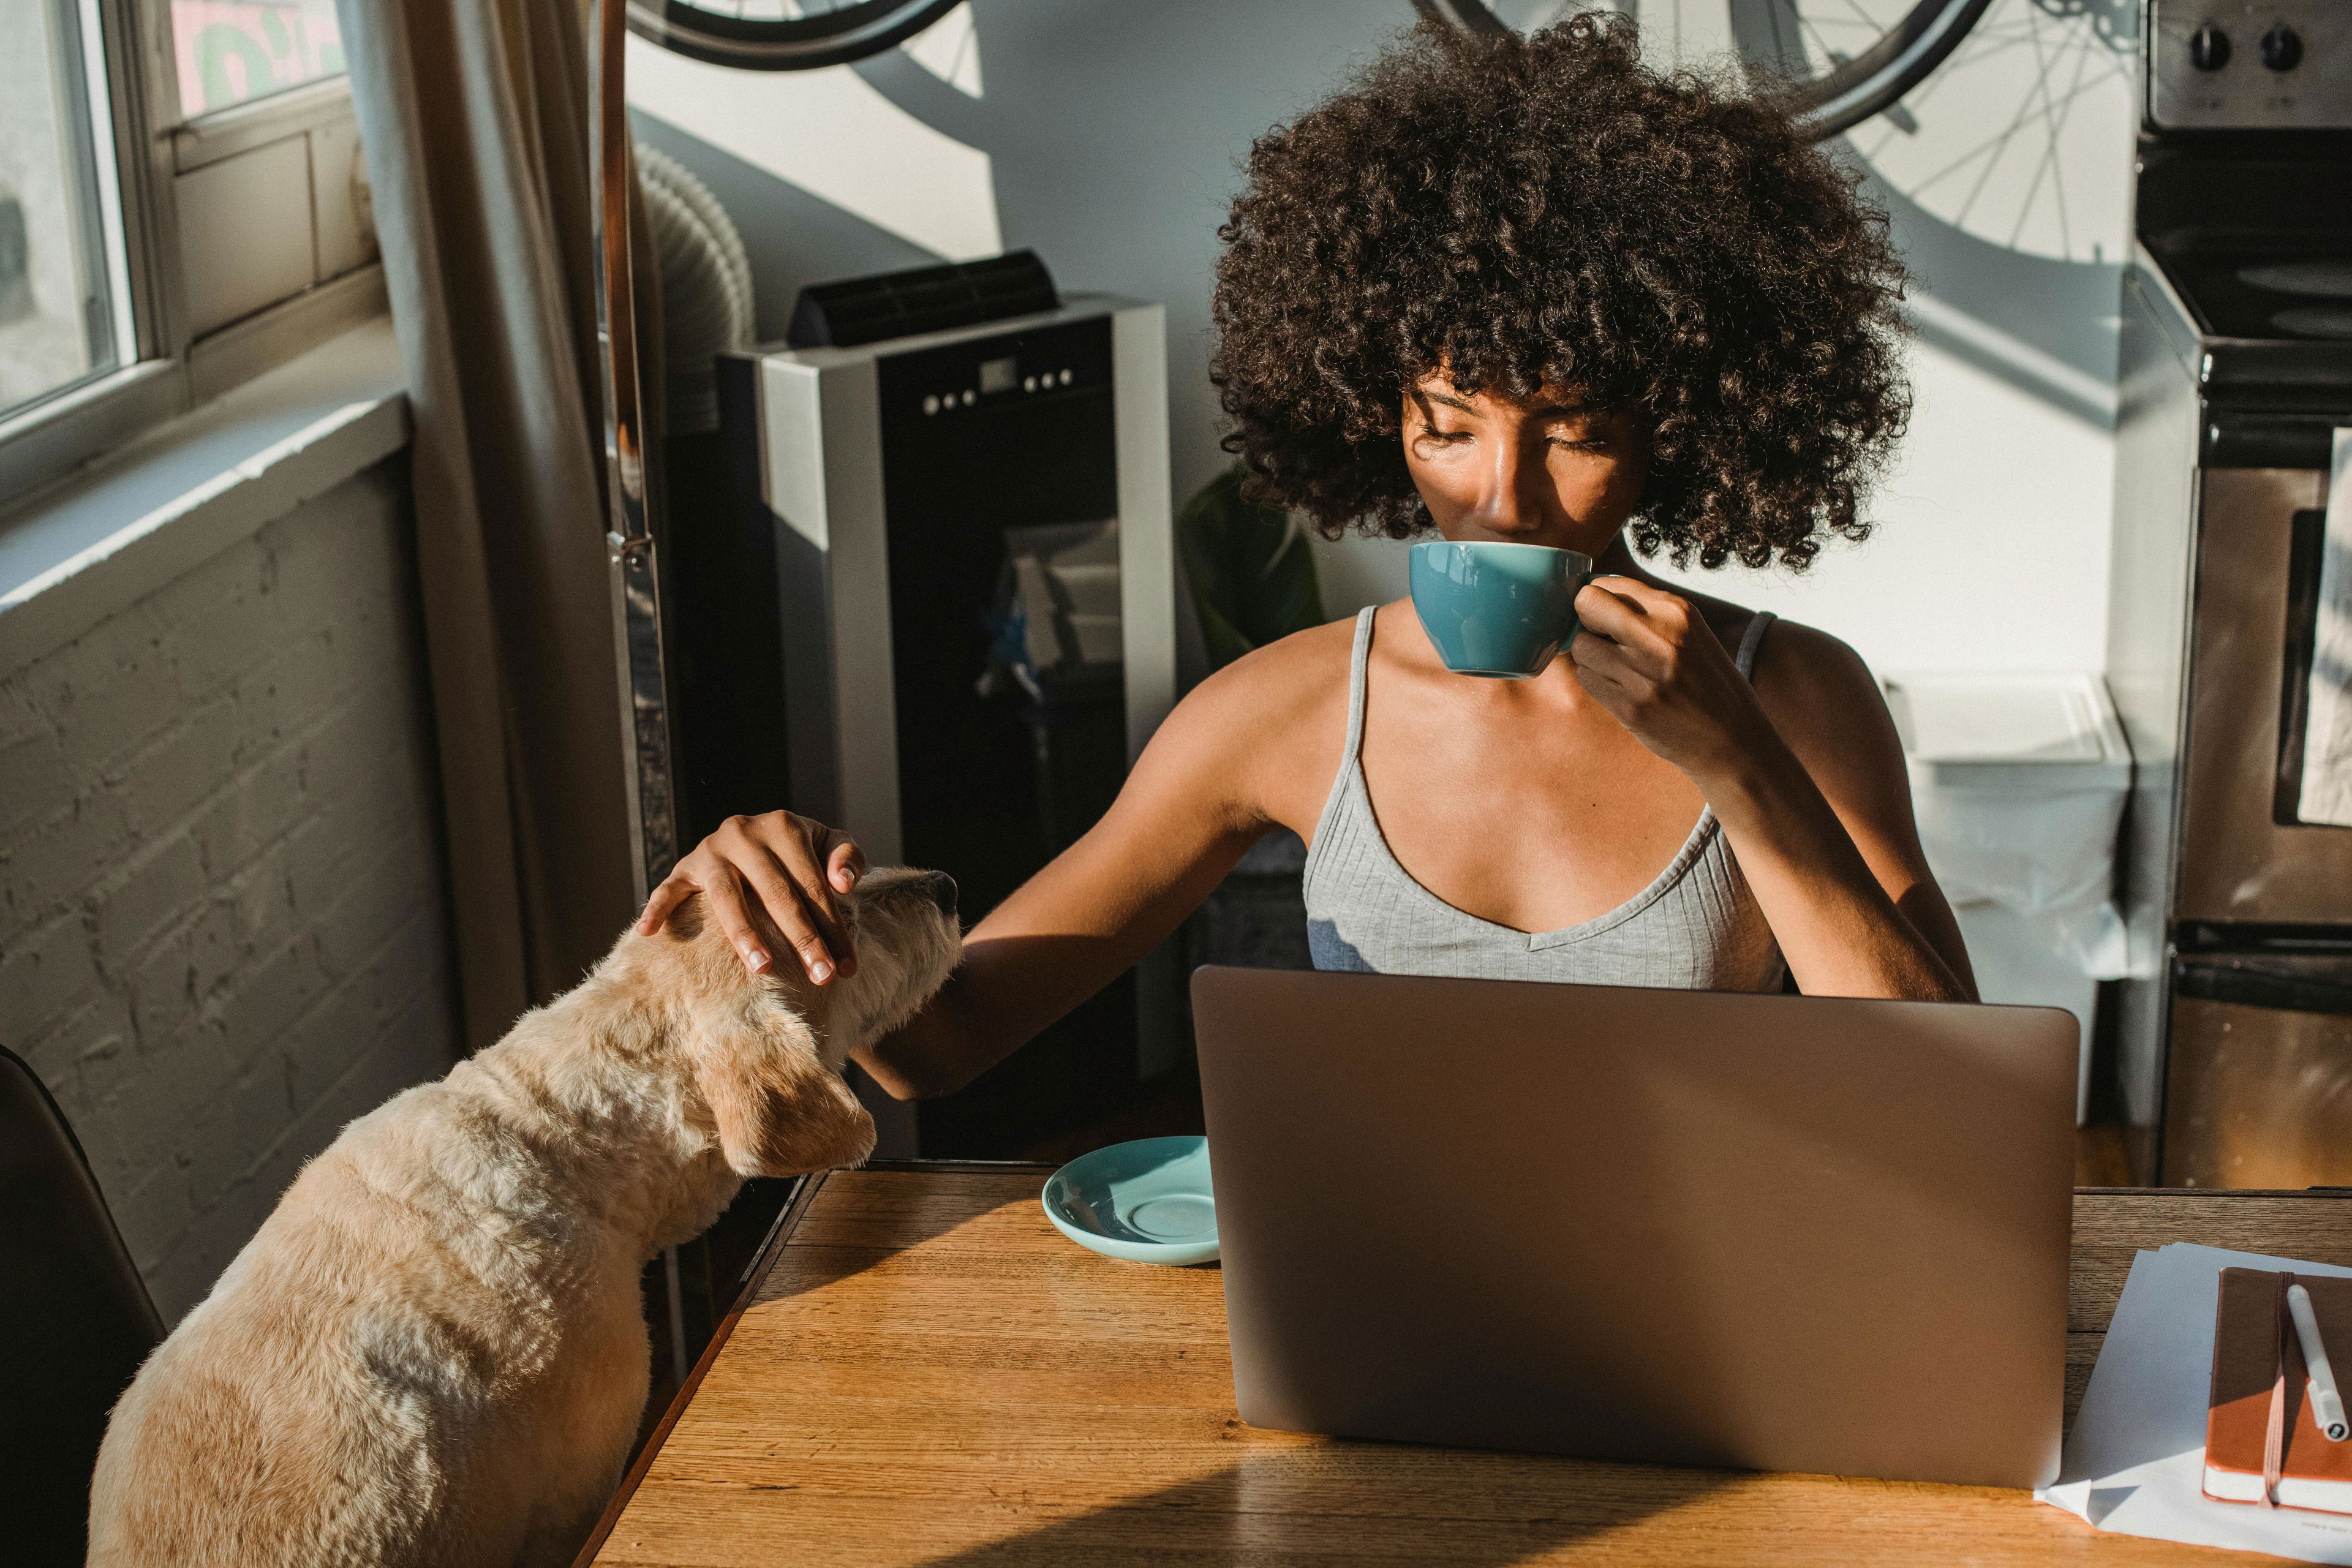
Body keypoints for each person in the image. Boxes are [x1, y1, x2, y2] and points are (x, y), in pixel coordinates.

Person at [635, 15, 1975, 1101]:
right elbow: (940, 1041)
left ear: (1677, 430)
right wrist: (789, 906)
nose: (1501, 497)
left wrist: (1739, 761)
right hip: (1377, 1305)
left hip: (1712, 1296)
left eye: (1573, 431)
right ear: (1375, 408)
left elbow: (1954, 1094)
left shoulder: (1789, 695)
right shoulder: (1276, 716)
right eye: (1446, 426)